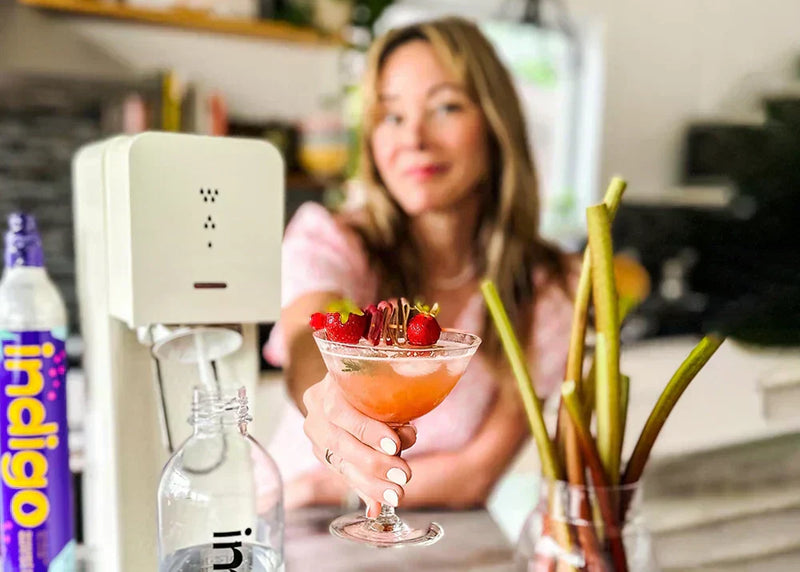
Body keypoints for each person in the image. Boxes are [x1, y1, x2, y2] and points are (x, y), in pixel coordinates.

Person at [264, 16, 576, 518]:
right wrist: (326, 393)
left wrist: (330, 489)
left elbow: (475, 475)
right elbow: (309, 338)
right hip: (290, 525)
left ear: (495, 125)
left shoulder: (545, 290)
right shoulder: (333, 240)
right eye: (391, 116)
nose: (414, 139)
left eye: (445, 107)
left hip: (422, 537)